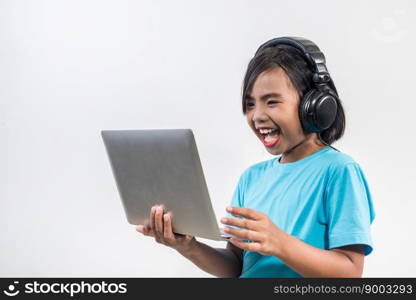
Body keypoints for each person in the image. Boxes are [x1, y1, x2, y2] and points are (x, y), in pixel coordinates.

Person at [135, 37, 375, 278]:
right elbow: (236, 266)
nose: (257, 116)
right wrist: (188, 246)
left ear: (314, 106)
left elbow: (350, 273)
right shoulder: (251, 178)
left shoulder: (339, 171)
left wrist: (280, 243)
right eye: (250, 104)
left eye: (272, 102)